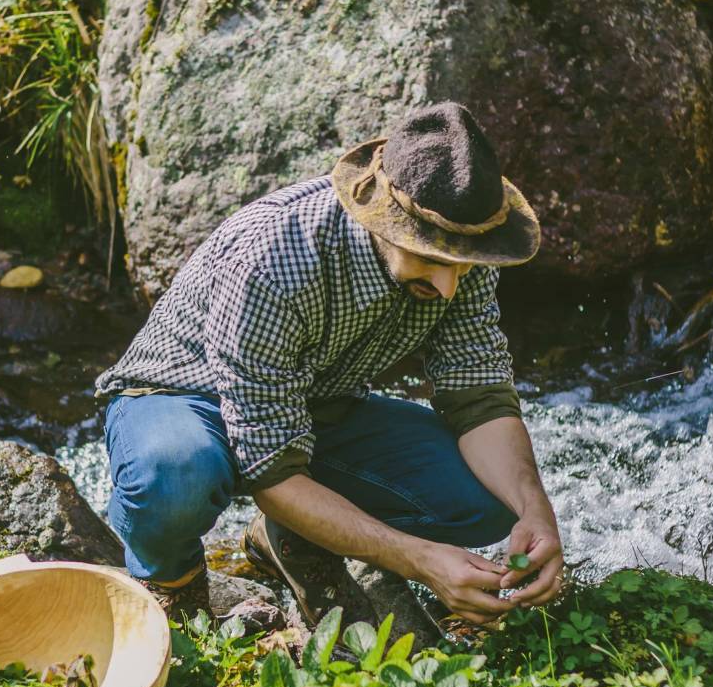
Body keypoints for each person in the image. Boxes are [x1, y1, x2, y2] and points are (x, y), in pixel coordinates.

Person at [96, 100, 564, 627]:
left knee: (485, 499)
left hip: (314, 406)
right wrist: (418, 560)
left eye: (462, 266)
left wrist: (535, 510)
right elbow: (272, 469)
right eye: (431, 262)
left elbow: (478, 396)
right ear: (382, 221)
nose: (447, 287)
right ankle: (169, 583)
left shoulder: (462, 247)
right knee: (175, 474)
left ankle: (285, 538)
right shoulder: (275, 260)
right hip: (180, 399)